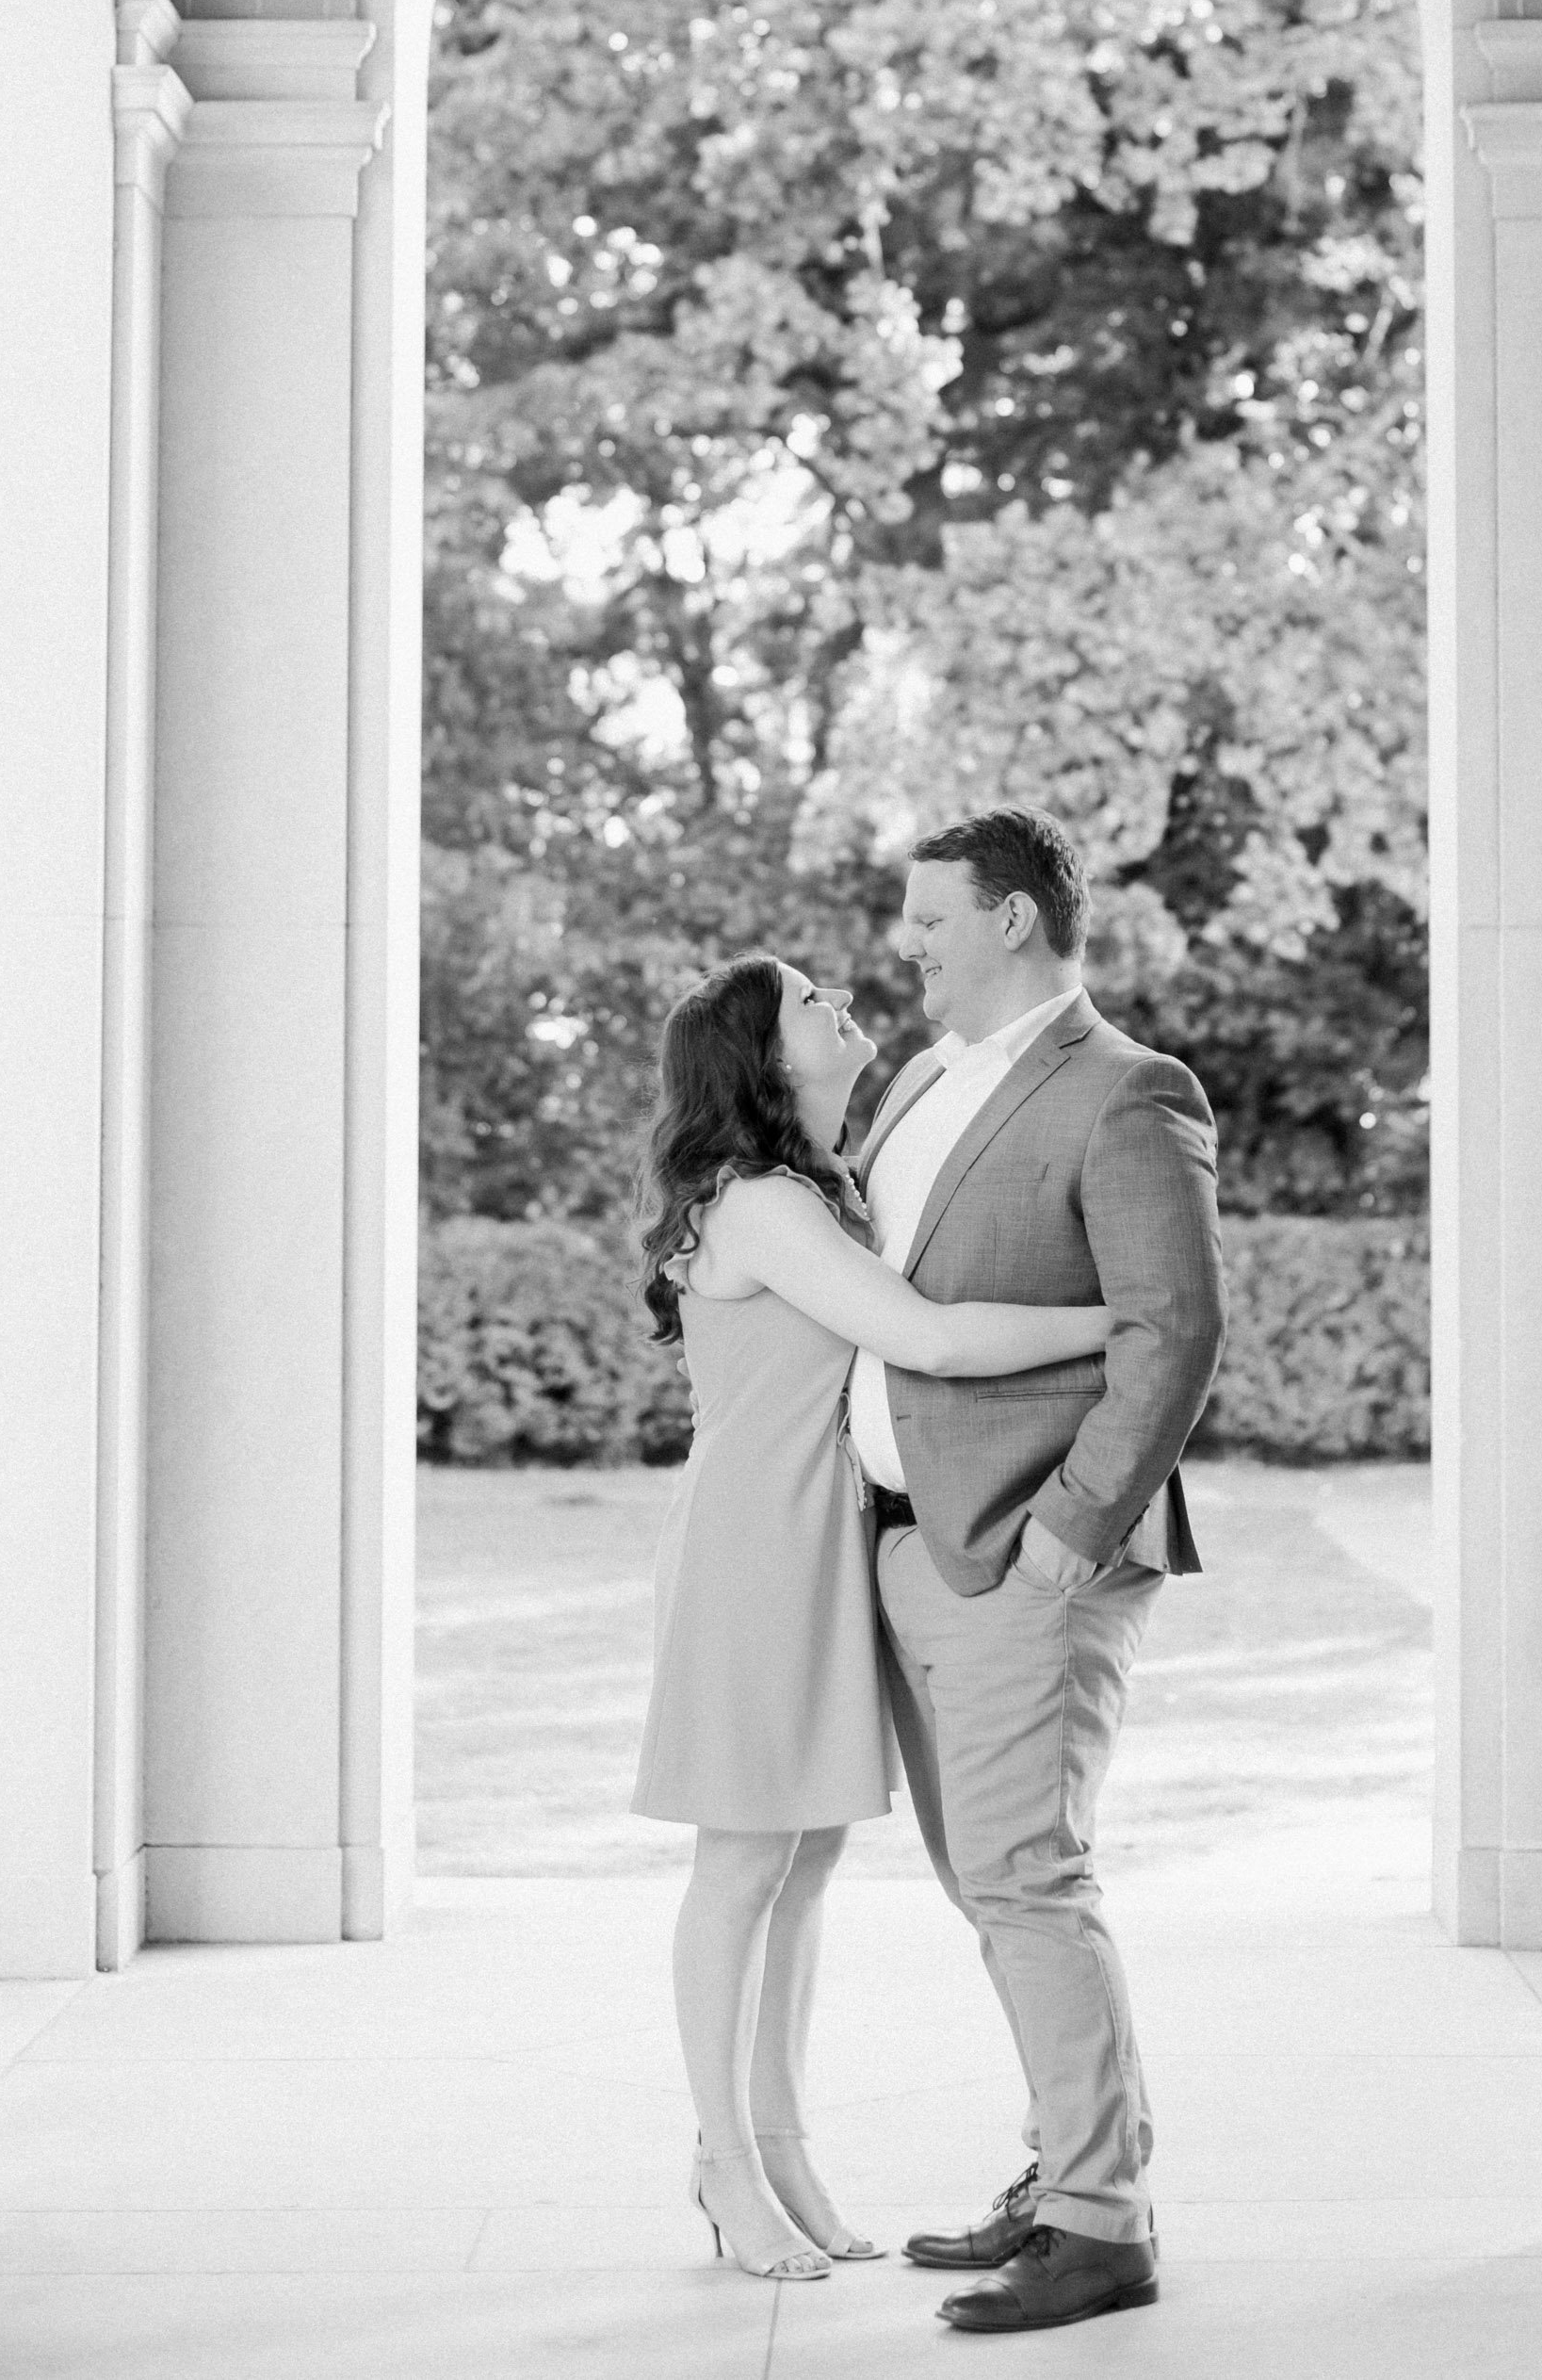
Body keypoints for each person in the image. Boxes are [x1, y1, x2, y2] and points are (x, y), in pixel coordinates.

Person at [631, 951, 1120, 2287]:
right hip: (754, 1551)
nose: (839, 1001)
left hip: (818, 1542)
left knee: (807, 1867)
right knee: (740, 1868)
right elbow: (934, 1340)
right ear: (761, 1055)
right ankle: (724, 2167)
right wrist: (1123, 1321)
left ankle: (779, 2149)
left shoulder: (821, 1186)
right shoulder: (760, 1201)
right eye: (806, 1000)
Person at [853, 805, 1226, 2337]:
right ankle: (1062, 2167)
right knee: (988, 1881)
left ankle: (1099, 2221)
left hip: (1027, 1551)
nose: (910, 945)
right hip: (902, 1546)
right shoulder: (922, 1083)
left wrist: (1069, 1531)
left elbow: (1174, 1326)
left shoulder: (1131, 1093)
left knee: (1027, 1875)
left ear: (1013, 919)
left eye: (932, 918)